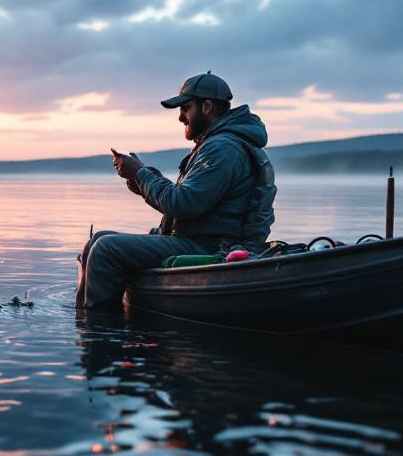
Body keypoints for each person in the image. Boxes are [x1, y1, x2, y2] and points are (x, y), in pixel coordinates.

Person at [76, 71, 277, 311]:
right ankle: (89, 317)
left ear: (208, 106)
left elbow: (184, 203)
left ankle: (98, 333)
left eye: (186, 108)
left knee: (107, 249)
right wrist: (143, 184)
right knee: (97, 241)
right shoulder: (219, 143)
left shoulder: (223, 148)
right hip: (197, 238)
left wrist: (141, 174)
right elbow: (193, 199)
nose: (181, 117)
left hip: (213, 246)